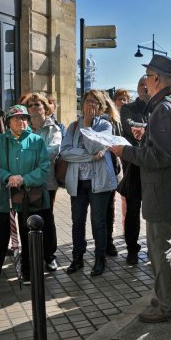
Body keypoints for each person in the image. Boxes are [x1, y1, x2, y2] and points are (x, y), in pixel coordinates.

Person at [109, 55, 171, 323]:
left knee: (161, 249)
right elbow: (170, 147)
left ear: (156, 78)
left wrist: (126, 150)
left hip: (163, 191)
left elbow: (161, 158)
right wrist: (147, 137)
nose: (145, 81)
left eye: (147, 76)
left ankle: (168, 305)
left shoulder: (164, 109)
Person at [0, 105, 51, 287]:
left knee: (30, 236)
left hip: (30, 196)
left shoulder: (37, 140)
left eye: (24, 118)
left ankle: (30, 273)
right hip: (4, 198)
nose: (21, 121)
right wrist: (8, 177)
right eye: (16, 118)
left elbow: (44, 168)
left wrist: (24, 179)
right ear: (8, 122)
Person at [60, 90, 117, 277]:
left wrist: (88, 126)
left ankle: (100, 259)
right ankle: (77, 257)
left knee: (98, 222)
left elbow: (95, 146)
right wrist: (91, 156)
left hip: (99, 182)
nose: (89, 106)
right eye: (87, 102)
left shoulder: (105, 125)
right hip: (78, 182)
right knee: (77, 221)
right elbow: (66, 152)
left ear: (100, 107)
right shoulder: (73, 126)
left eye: (94, 103)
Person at [25, 93, 61, 271]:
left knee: (47, 219)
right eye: (30, 105)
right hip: (27, 183)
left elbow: (53, 152)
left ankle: (49, 256)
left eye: (37, 104)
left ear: (45, 108)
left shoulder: (52, 128)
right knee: (28, 219)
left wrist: (28, 156)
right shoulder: (24, 128)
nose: (33, 108)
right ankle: (31, 257)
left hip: (47, 183)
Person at [119, 76, 149, 264]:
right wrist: (153, 128)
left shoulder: (160, 107)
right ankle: (132, 248)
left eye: (148, 84)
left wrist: (146, 128)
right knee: (132, 210)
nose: (145, 87)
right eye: (141, 84)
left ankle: (155, 248)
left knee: (156, 210)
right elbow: (129, 127)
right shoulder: (128, 108)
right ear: (137, 89)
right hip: (135, 166)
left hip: (156, 165)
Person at [101, 92, 123, 258]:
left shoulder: (114, 122)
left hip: (110, 170)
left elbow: (119, 143)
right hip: (91, 172)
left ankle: (108, 242)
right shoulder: (86, 122)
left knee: (109, 209)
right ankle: (103, 243)